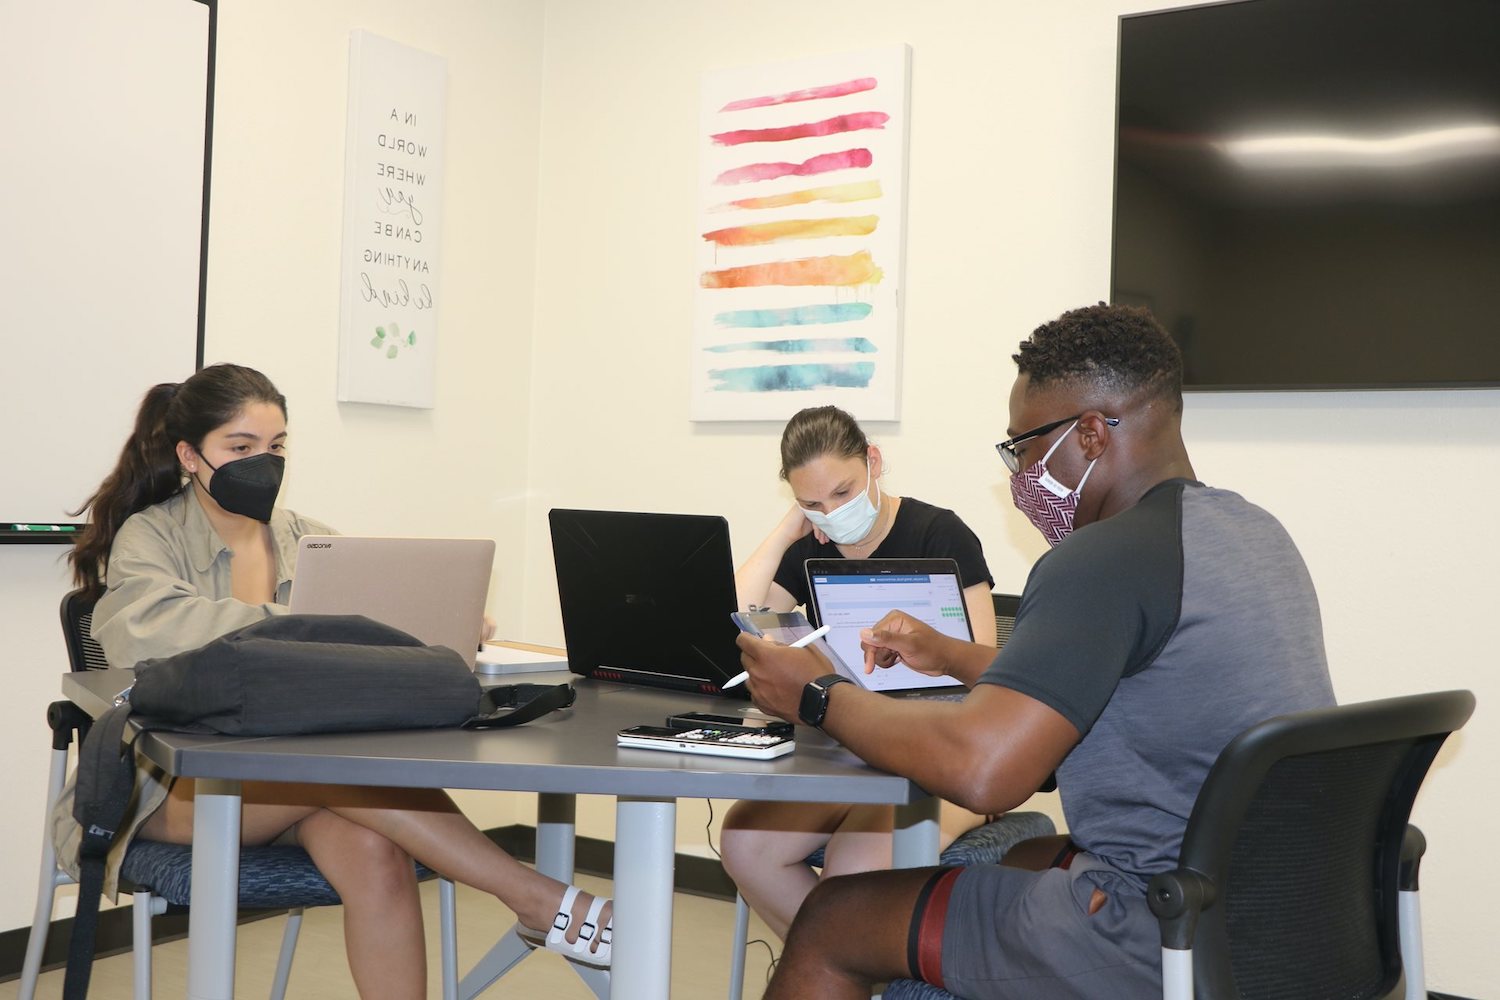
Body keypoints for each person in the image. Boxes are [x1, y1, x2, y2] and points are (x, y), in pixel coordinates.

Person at [734, 304, 1336, 999]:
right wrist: (951, 656)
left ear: (1087, 435)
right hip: (1286, 910)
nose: (1019, 475)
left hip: (1159, 925)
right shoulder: (1252, 532)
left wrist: (818, 693)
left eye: (1021, 448)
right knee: (1023, 857)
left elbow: (985, 772)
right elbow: (1110, 688)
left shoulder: (1101, 558)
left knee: (836, 917)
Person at [57, 364, 612, 999]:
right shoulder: (150, 535)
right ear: (190, 455)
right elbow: (143, 634)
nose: (263, 463)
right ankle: (536, 897)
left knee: (375, 853)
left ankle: (540, 904)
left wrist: (437, 624)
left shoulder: (310, 540)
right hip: (165, 787)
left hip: (290, 783)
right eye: (240, 449)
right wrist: (296, 625)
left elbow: (366, 635)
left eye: (276, 446)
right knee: (346, 771)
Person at [723, 405, 1002, 941]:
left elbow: (986, 668)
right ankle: (842, 973)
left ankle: (835, 971)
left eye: (843, 493)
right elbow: (735, 620)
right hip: (850, 749)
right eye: (812, 502)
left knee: (849, 870)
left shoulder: (940, 533)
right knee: (744, 842)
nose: (831, 512)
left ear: (874, 461)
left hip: (939, 757)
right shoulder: (809, 545)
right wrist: (788, 530)